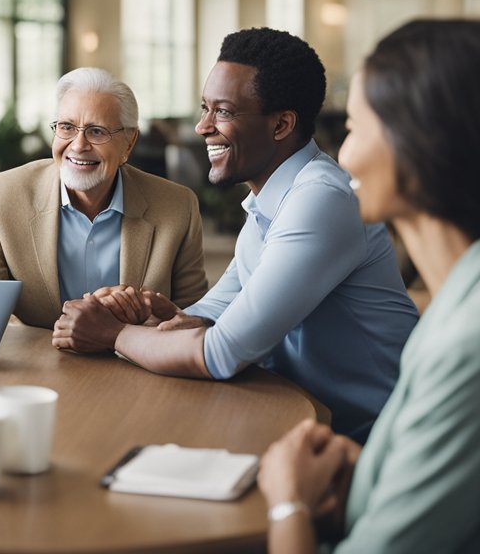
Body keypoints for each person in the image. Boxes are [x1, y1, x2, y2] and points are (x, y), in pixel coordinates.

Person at [54, 28, 418, 441]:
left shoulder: (320, 200)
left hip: (376, 439)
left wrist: (112, 334)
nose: (201, 126)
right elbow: (210, 316)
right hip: (301, 419)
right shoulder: (268, 204)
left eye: (223, 112)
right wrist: (157, 315)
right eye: (205, 108)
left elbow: (220, 352)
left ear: (282, 124)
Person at [255, 19, 480, 553]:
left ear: (417, 141)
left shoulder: (465, 345)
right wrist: (375, 474)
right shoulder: (455, 296)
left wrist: (289, 502)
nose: (345, 156)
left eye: (355, 129)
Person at [0, 67, 207, 327]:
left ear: (129, 143)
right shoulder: (3, 195)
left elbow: (195, 318)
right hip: (39, 363)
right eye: (66, 127)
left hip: (134, 363)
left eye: (97, 131)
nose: (78, 145)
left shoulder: (178, 207)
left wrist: (142, 323)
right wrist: (64, 336)